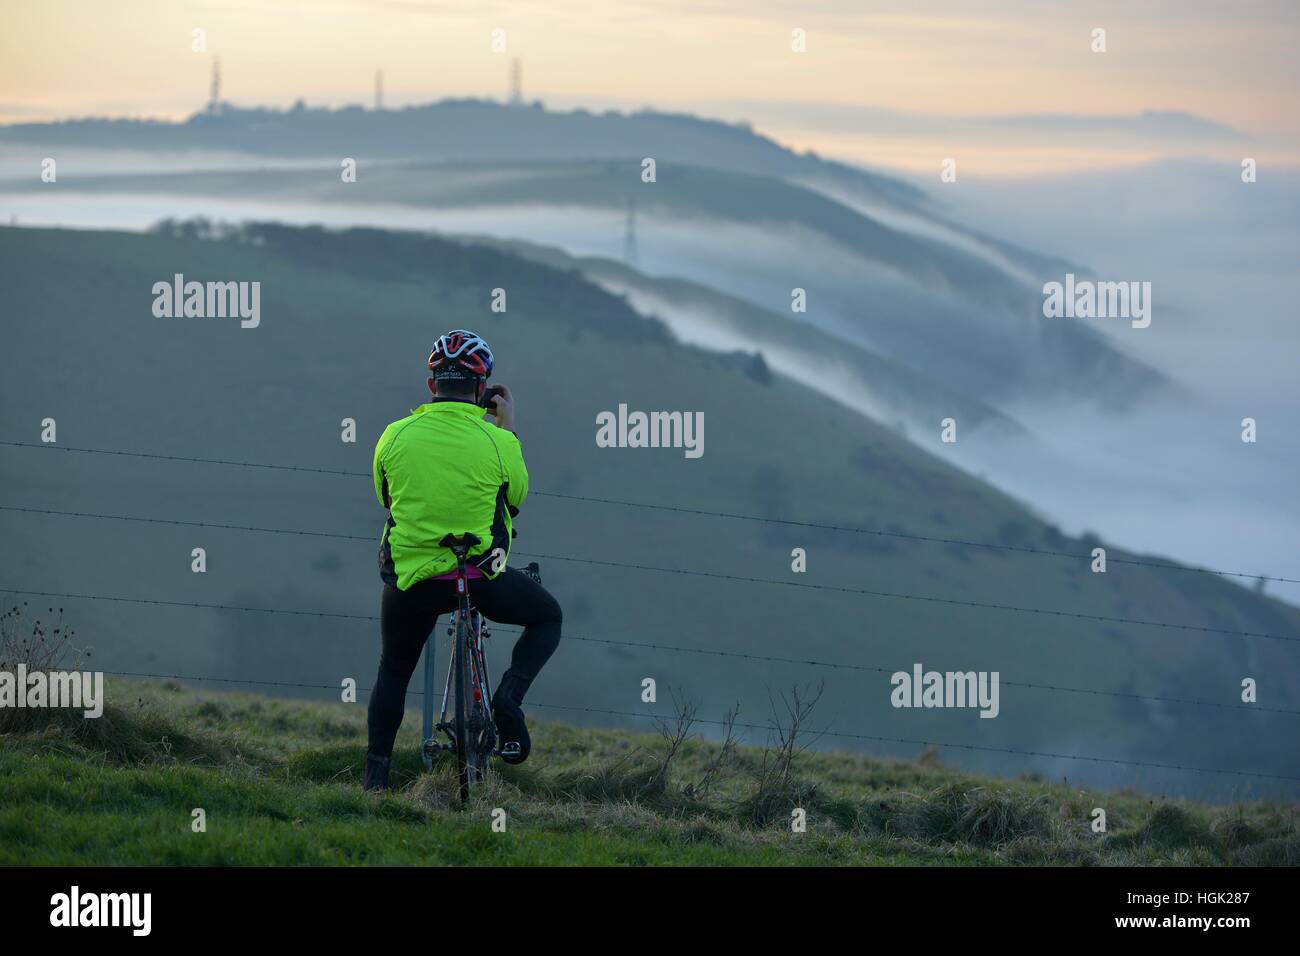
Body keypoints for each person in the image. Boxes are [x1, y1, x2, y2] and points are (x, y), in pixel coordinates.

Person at [363, 329, 562, 791]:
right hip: (478, 574)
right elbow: (516, 499)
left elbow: (386, 498)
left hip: (412, 578)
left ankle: (376, 778)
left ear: (432, 385)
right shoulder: (498, 441)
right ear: (482, 390)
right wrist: (506, 426)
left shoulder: (394, 436)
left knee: (393, 669)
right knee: (548, 616)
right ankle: (508, 703)